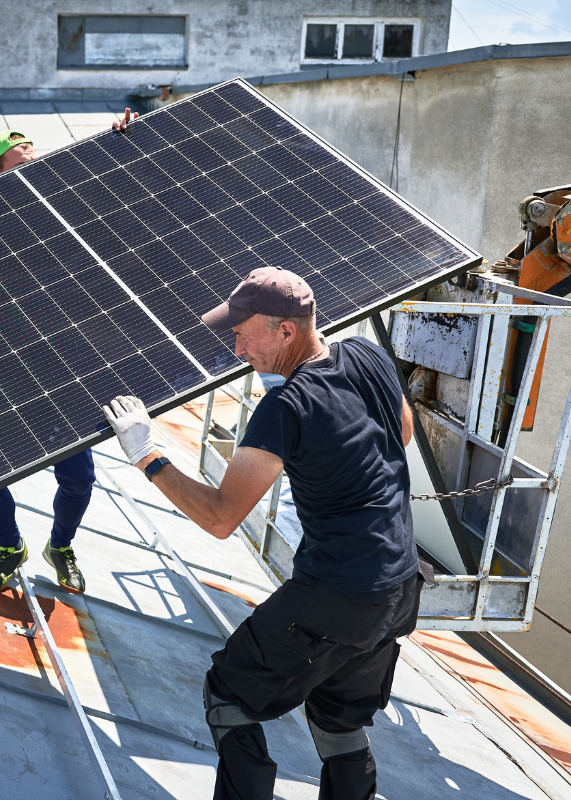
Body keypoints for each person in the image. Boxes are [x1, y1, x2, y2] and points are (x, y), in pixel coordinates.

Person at [104, 267, 426, 800]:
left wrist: (147, 455)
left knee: (229, 693)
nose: (235, 349)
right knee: (338, 721)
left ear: (286, 332)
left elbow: (219, 518)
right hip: (400, 588)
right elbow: (404, 431)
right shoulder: (366, 357)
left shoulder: (284, 408)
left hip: (336, 592)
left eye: (242, 334)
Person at [0, 112, 138, 595]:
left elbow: (110, 197)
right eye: (21, 156)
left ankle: (61, 546)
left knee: (78, 476)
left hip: (60, 360)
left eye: (34, 152)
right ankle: (10, 547)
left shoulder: (57, 202)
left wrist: (122, 142)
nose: (33, 159)